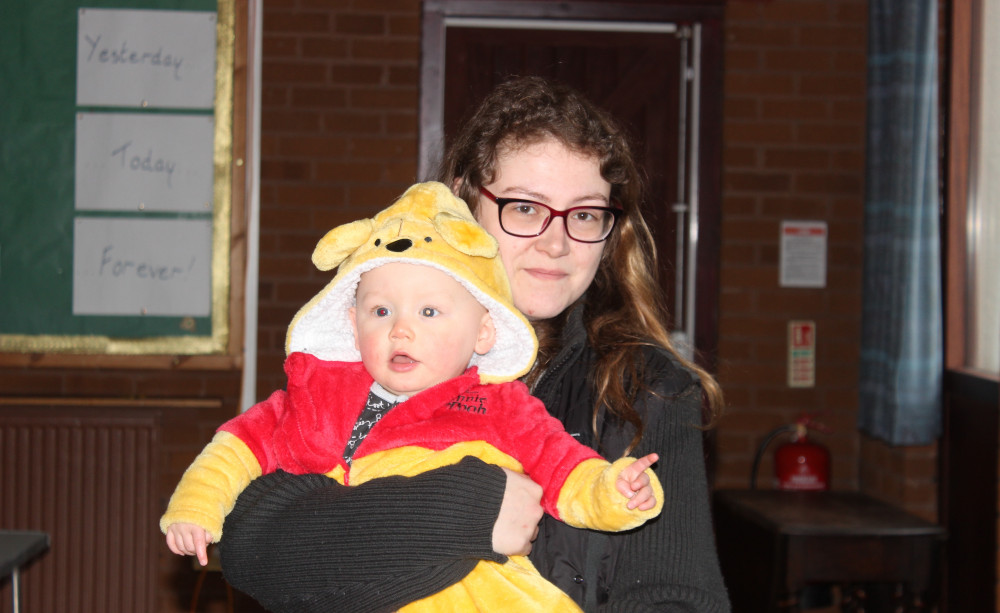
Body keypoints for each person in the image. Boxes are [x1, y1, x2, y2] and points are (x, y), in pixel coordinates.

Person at [218, 75, 730, 612]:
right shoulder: (378, 350)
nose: (555, 243)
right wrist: (467, 509)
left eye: (583, 215)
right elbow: (253, 546)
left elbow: (677, 600)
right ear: (463, 203)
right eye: (526, 208)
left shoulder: (649, 389)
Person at [160, 181, 665, 612]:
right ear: (351, 323)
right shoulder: (313, 396)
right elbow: (236, 446)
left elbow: (562, 467)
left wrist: (613, 491)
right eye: (381, 311)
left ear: (483, 333)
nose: (401, 330)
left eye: (429, 313)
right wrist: (196, 506)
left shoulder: (498, 403)